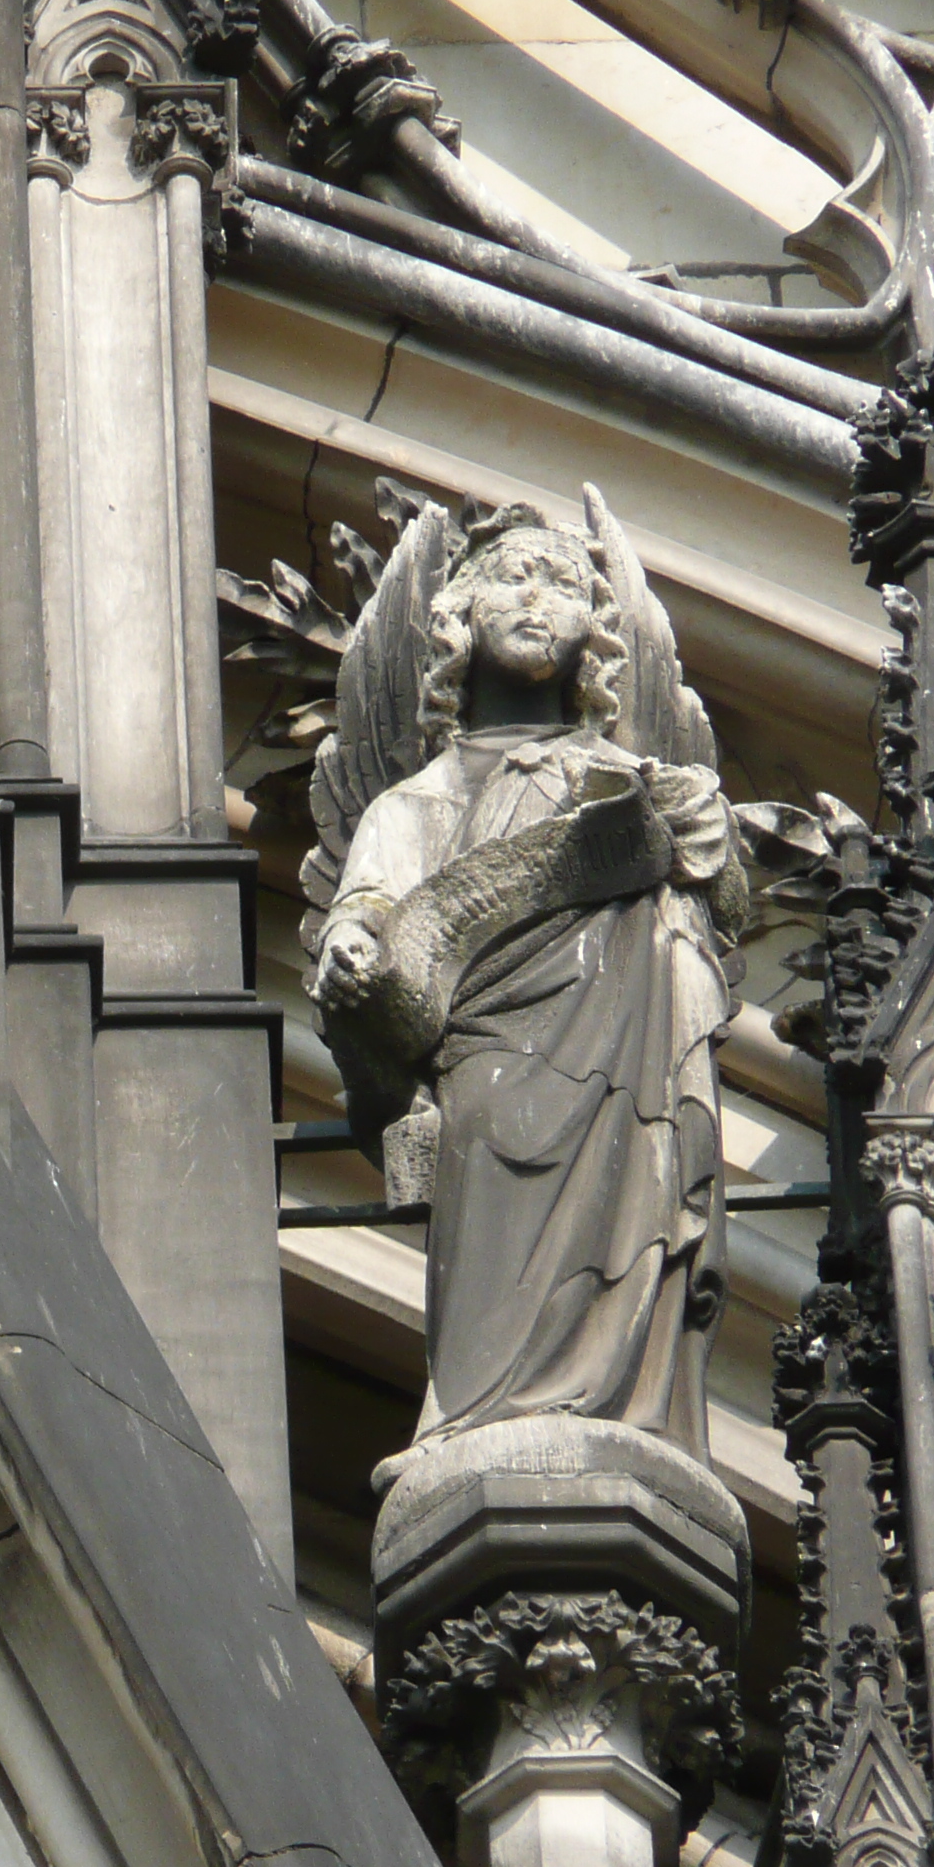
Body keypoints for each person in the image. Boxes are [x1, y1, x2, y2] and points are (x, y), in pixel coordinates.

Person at [311, 505, 742, 1456]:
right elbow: (370, 901)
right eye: (512, 578)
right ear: (460, 621)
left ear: (594, 629)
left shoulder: (634, 776)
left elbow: (722, 888)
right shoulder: (418, 799)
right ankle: (483, 1414)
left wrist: (678, 825)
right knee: (491, 1203)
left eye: (559, 582)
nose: (536, 598)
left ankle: (625, 1408)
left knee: (635, 1199)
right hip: (488, 1063)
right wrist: (351, 945)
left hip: (624, 1056)